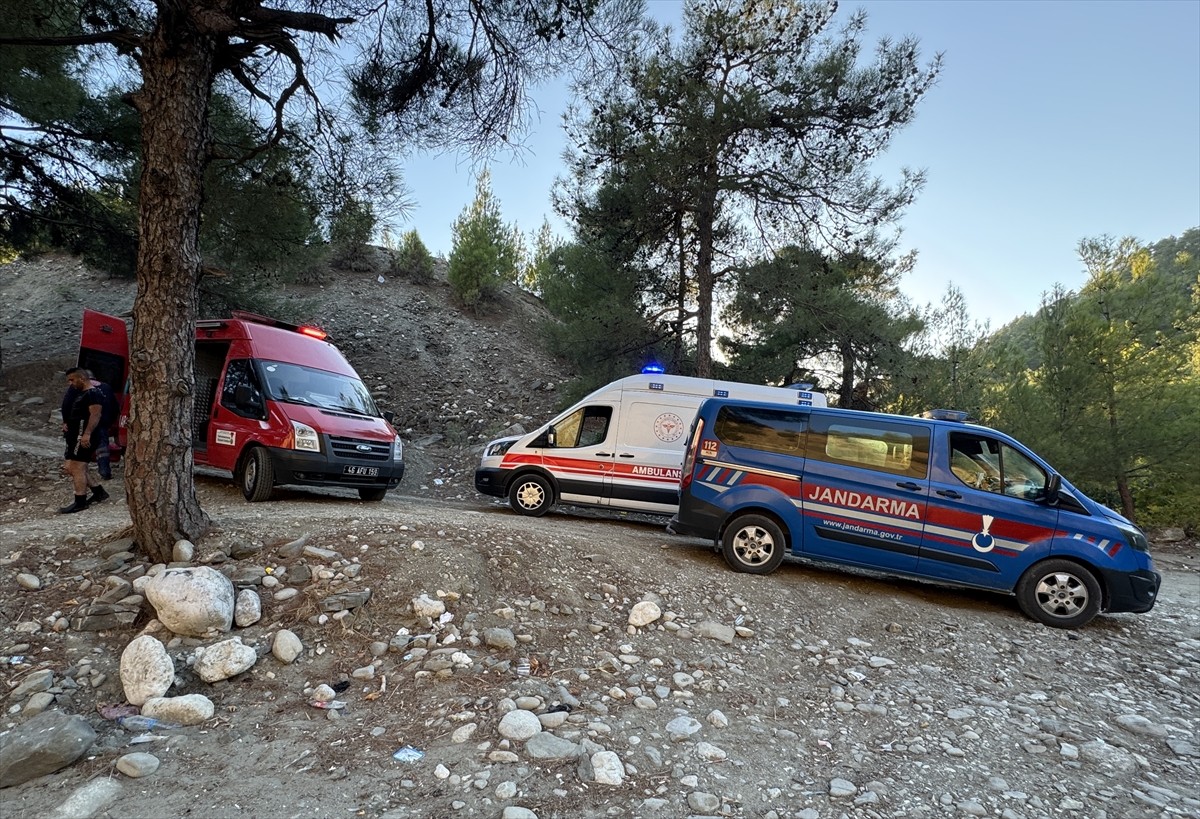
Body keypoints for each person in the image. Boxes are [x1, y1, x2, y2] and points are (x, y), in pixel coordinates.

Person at [60, 367, 109, 514]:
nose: (70, 383)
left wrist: (86, 434)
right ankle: (98, 491)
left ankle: (80, 501)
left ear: (81, 378)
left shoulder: (93, 394)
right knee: (71, 467)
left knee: (77, 467)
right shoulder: (83, 393)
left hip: (83, 436)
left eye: (72, 380)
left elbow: (95, 415)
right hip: (75, 435)